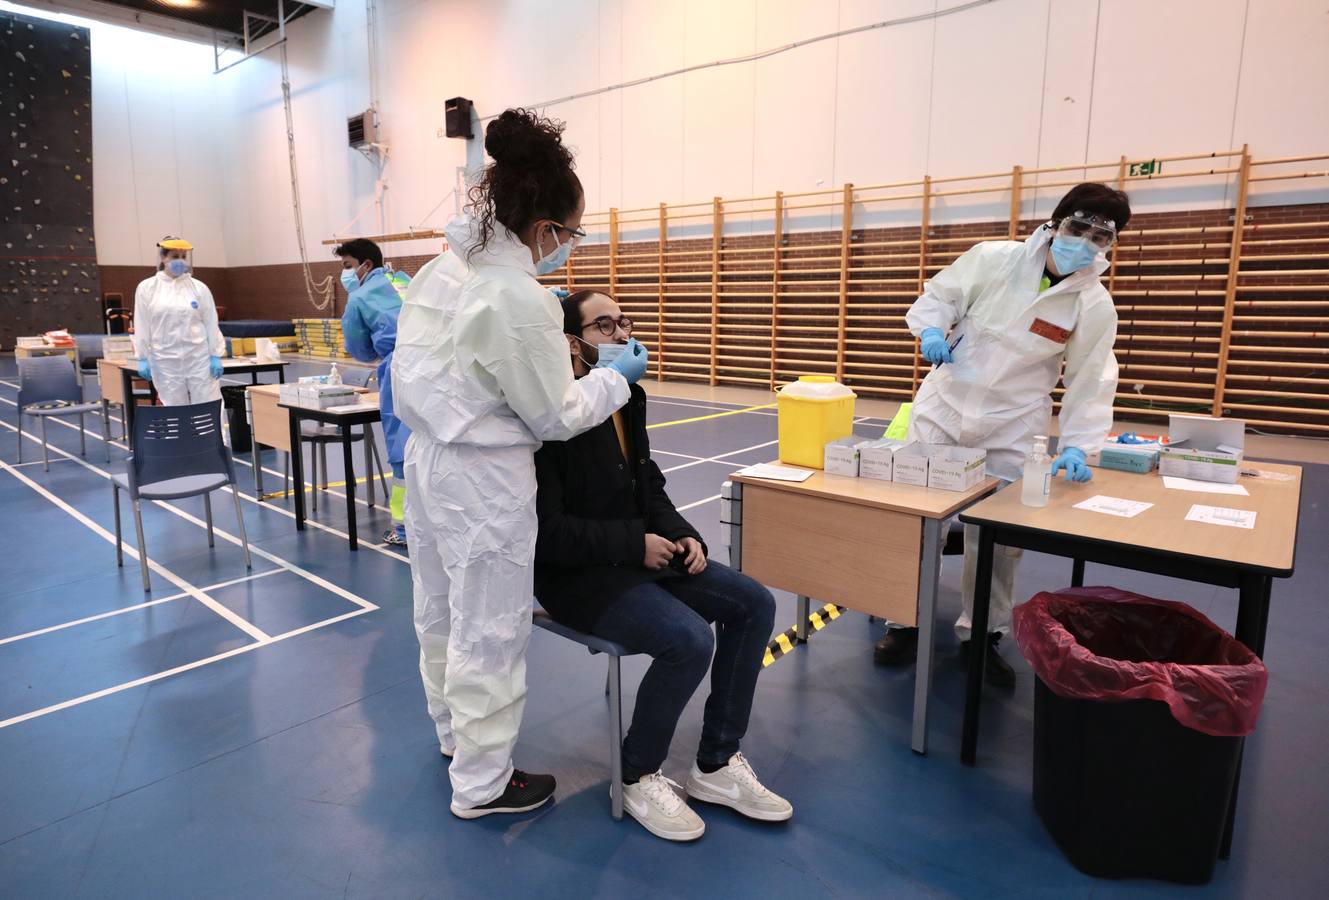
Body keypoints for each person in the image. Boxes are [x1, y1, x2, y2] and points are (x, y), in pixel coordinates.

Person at [392, 109, 649, 820]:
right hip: (483, 479)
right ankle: (482, 783)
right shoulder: (519, 298)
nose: (568, 248)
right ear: (543, 231)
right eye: (570, 235)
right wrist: (617, 378)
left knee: (439, 612)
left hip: (426, 462)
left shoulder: (442, 271)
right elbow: (553, 415)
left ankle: (454, 739)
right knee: (490, 627)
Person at [533, 290, 790, 842]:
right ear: (570, 342)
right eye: (604, 326)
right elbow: (547, 533)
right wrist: (635, 544)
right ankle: (634, 774)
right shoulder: (549, 415)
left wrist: (681, 534)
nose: (623, 335)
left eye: (624, 321)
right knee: (689, 640)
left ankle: (716, 766)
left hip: (636, 552)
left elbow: (646, 484)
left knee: (753, 603)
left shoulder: (629, 397)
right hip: (576, 575)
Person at [874, 183, 1130, 686]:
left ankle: (983, 636)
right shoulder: (995, 259)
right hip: (943, 409)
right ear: (1055, 225)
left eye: (1099, 237)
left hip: (1014, 426)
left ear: (1109, 247)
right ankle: (902, 618)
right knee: (914, 519)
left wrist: (1078, 442)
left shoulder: (1092, 306)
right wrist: (930, 329)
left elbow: (1090, 380)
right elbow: (940, 295)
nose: (1084, 243)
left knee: (998, 537)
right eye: (1077, 228)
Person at [336, 238, 412, 547]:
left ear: (366, 265)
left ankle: (405, 529)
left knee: (402, 449)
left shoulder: (360, 297)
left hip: (402, 369)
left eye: (347, 267)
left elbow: (359, 348)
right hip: (442, 365)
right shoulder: (406, 280)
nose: (345, 275)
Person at [132, 237, 225, 406]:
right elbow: (142, 325)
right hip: (166, 361)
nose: (180, 261)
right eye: (175, 256)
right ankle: (180, 434)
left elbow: (211, 323)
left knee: (209, 406)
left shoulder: (199, 288)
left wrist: (215, 354)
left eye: (183, 256)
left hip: (199, 359)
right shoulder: (147, 288)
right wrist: (142, 357)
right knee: (174, 409)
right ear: (163, 258)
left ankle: (212, 434)